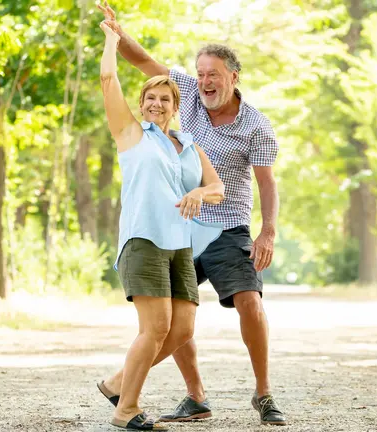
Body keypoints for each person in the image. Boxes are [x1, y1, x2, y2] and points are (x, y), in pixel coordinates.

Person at [96, 2, 286, 426]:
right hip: (174, 230)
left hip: (225, 225)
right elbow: (140, 62)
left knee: (241, 304)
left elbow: (261, 183)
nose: (205, 82)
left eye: (213, 75)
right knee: (170, 321)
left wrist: (267, 231)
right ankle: (191, 397)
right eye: (200, 74)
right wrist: (115, 33)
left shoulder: (248, 127)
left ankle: (263, 393)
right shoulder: (160, 119)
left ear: (233, 77)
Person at [96, 17, 225, 431]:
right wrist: (111, 40)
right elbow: (108, 80)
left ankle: (118, 383)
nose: (157, 104)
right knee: (155, 328)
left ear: (175, 106)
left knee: (182, 329)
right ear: (141, 104)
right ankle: (126, 408)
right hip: (144, 240)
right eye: (150, 98)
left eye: (165, 99)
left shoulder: (188, 144)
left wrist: (198, 193)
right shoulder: (132, 135)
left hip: (179, 245)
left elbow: (218, 188)